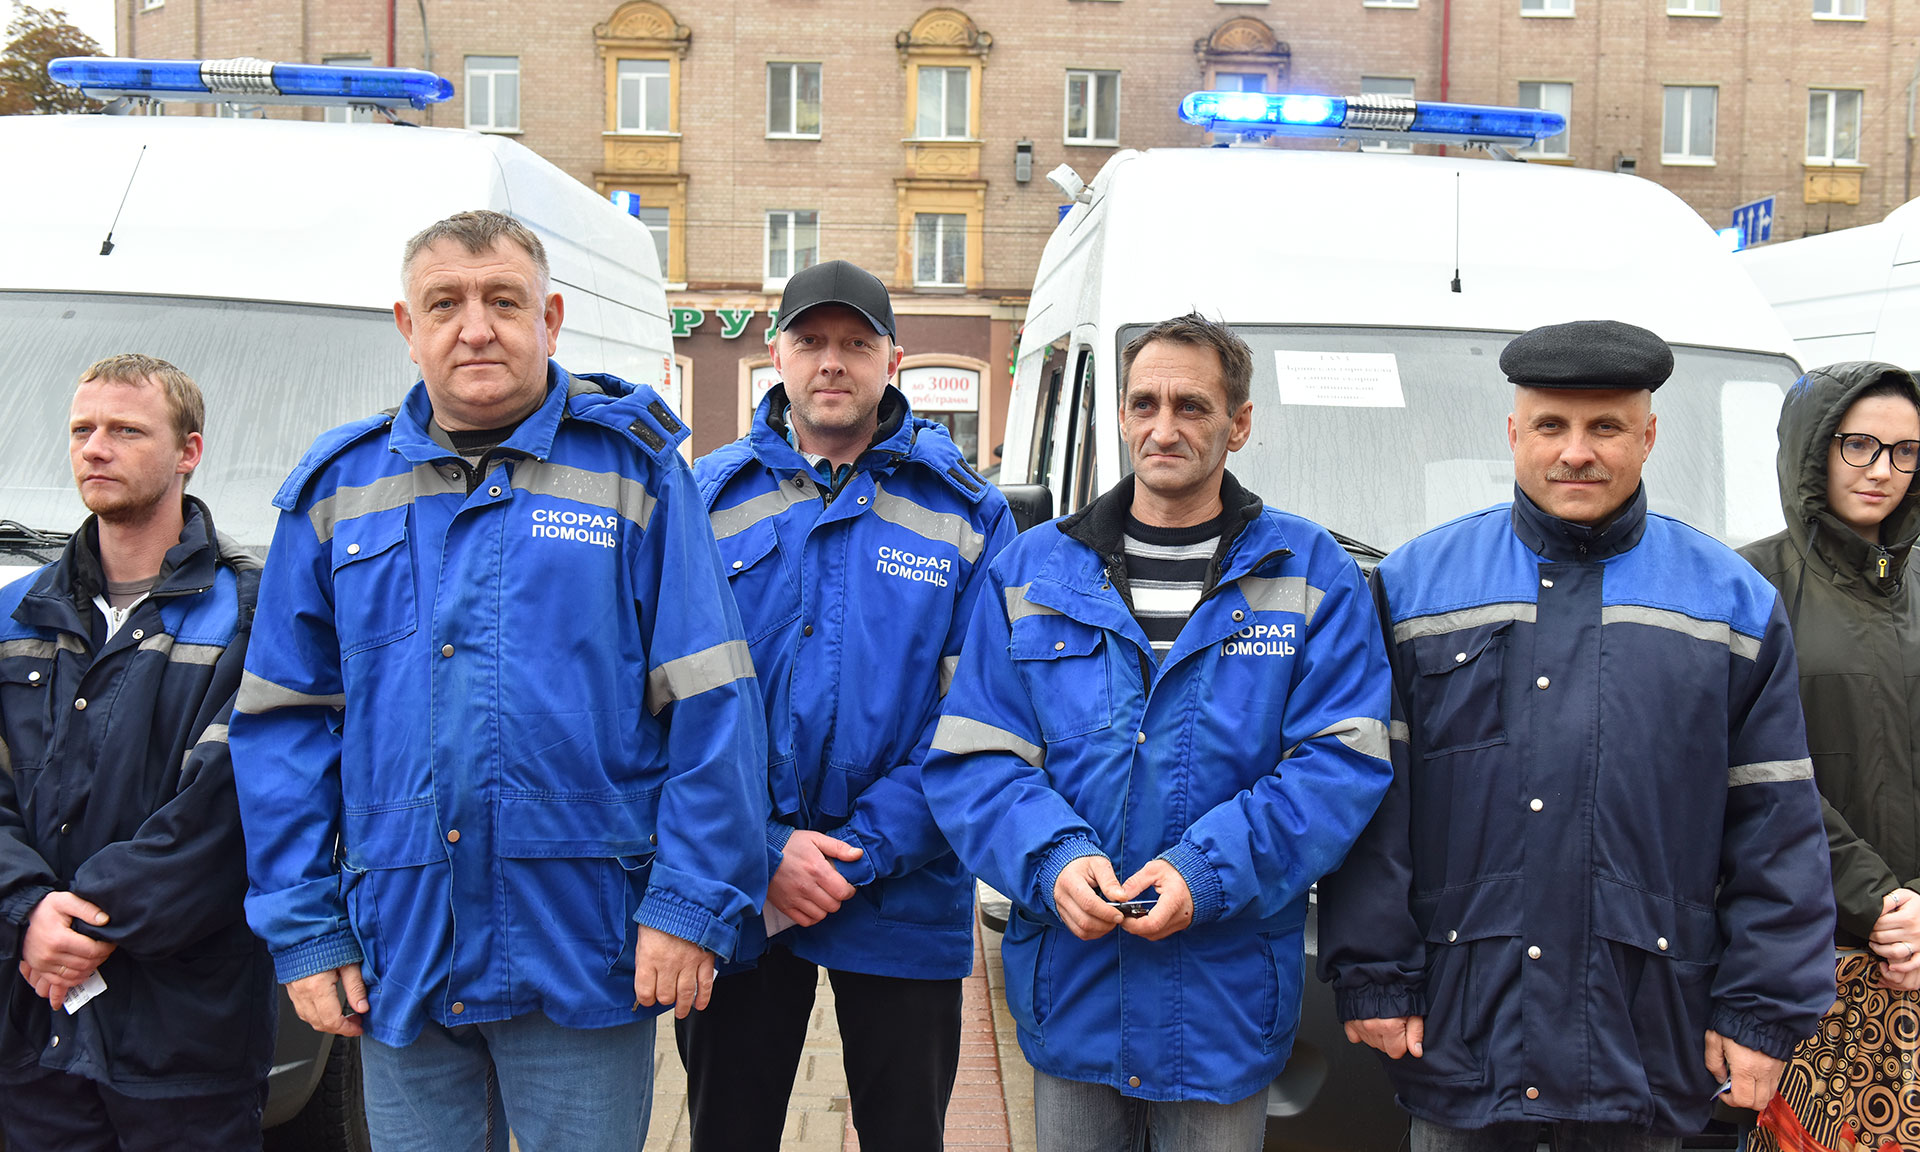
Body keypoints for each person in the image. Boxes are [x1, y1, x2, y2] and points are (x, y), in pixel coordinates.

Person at [229, 210, 767, 1152]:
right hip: (402, 947)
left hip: (586, 947)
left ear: (549, 319)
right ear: (408, 327)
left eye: (503, 301)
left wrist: (690, 905)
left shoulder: (635, 472)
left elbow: (712, 702)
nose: (475, 328)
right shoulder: (337, 490)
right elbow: (284, 725)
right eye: (445, 304)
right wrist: (305, 929)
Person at [1319, 319, 1836, 1152]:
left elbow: (1776, 827)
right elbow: (1375, 803)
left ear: (1649, 436)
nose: (1576, 452)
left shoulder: (1730, 603)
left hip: (1646, 1036)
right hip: (1465, 1028)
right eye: (1551, 425)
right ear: (1512, 431)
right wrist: (1376, 974)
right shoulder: (1416, 587)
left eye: (1606, 427)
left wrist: (1761, 1013)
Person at [922, 312, 1394, 1152]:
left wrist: (1206, 871)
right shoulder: (1031, 570)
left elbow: (1339, 765)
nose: (1164, 428)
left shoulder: (1311, 573)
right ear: (1122, 415)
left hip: (1221, 1006)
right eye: (1145, 403)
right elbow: (976, 755)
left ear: (1239, 424)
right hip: (1075, 995)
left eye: (1192, 406)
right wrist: (1053, 859)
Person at [674, 258, 1015, 1151]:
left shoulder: (969, 515)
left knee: (906, 1135)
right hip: (736, 890)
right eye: (812, 341)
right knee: (726, 1134)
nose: (833, 361)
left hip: (905, 896)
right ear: (777, 355)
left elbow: (982, 715)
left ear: (892, 360)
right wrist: (763, 849)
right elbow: (670, 704)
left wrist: (856, 855)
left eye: (856, 343)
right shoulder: (702, 499)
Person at [0, 354, 272, 1150]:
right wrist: (26, 909)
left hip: (183, 1040)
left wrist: (80, 924)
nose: (95, 448)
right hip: (33, 1027)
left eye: (125, 430)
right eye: (82, 430)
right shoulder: (15, 613)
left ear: (189, 452)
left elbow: (226, 811)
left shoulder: (250, 614)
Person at [1738, 363, 1920, 1152]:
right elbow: (1749, 770)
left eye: (1906, 451)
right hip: (1802, 960)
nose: (1883, 470)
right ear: (1813, 447)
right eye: (1859, 445)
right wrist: (1878, 900)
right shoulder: (1750, 585)